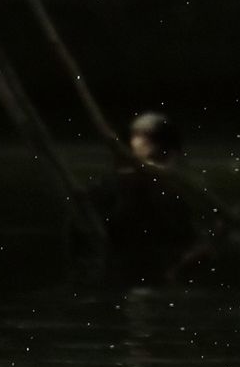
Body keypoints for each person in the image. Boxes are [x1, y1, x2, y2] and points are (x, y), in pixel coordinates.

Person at [87, 111, 221, 286]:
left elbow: (185, 230)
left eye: (144, 136)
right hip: (131, 255)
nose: (137, 141)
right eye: (136, 135)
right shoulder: (119, 182)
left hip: (162, 255)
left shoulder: (180, 184)